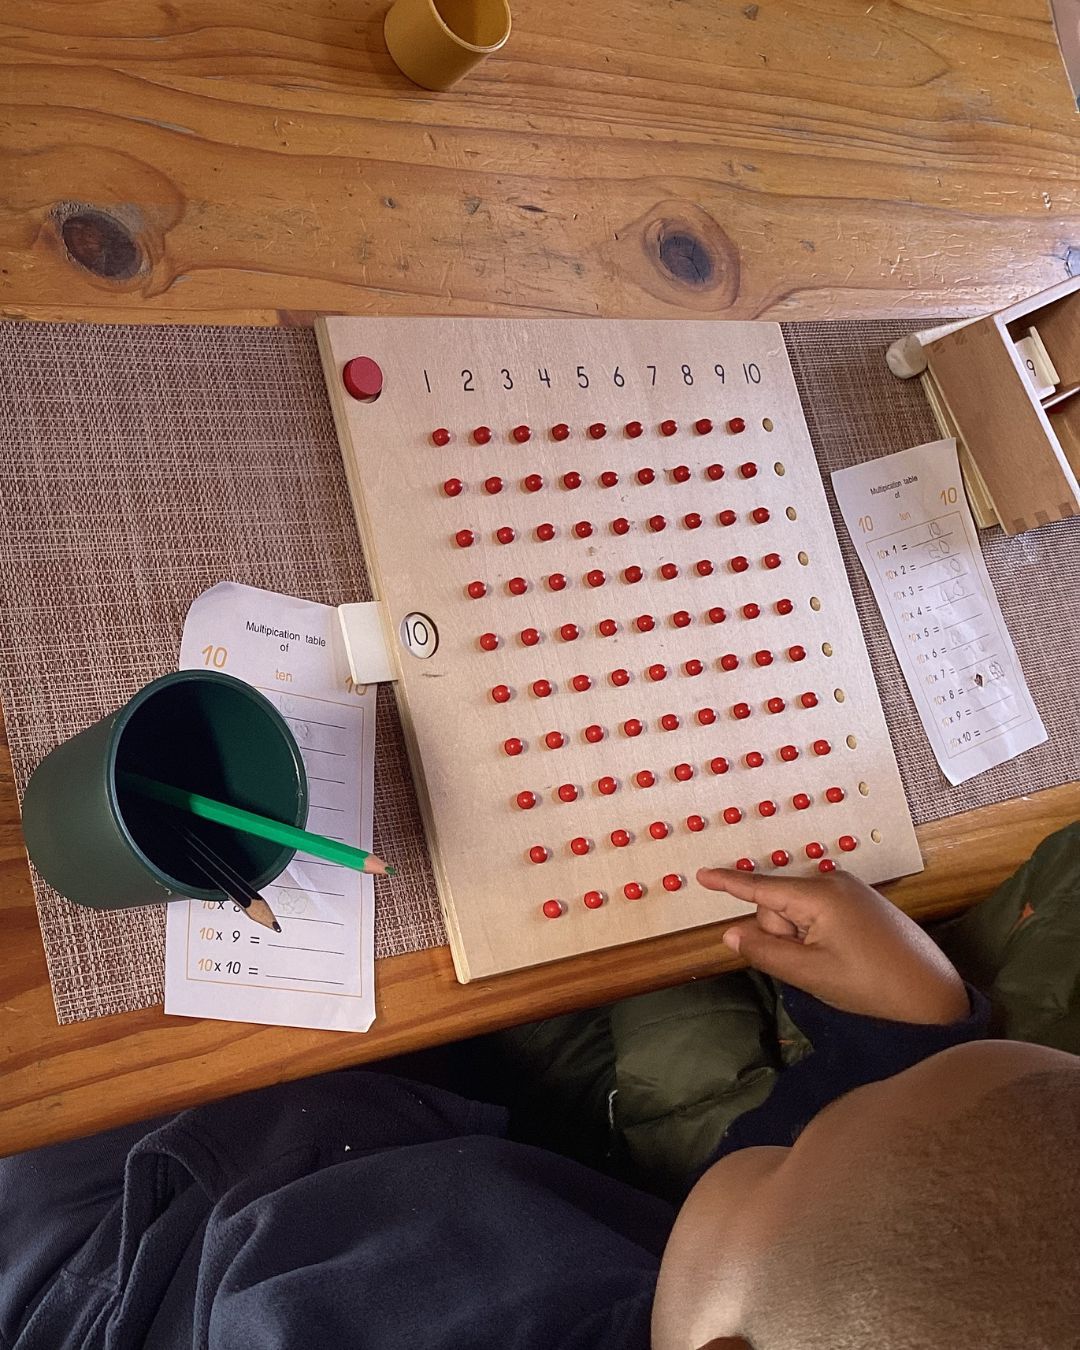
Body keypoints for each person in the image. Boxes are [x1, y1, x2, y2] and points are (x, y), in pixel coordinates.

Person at [1, 860, 1078, 1350]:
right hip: (423, 1147)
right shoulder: (725, 1307)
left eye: (799, 1146)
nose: (794, 1126)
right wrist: (915, 1032)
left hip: (130, 1252)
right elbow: (830, 1235)